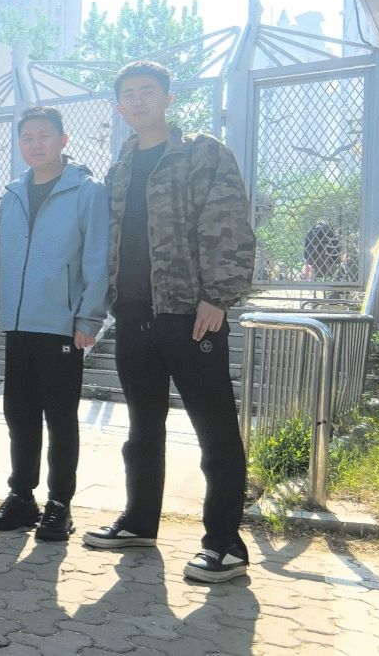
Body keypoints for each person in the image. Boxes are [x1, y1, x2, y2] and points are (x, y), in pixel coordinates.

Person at [83, 61, 257, 585]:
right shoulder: (120, 167)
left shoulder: (203, 153)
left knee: (214, 432)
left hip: (191, 315)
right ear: (120, 107)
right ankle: (140, 522)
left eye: (148, 92)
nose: (138, 101)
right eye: (129, 95)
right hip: (134, 316)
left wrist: (217, 297)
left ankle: (225, 544)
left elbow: (228, 222)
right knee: (142, 430)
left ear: (167, 98)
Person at [0, 107, 110, 541]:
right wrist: (4, 309)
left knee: (59, 417)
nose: (35, 144)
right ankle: (22, 497)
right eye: (28, 137)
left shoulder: (88, 191)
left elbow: (97, 258)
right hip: (18, 323)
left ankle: (60, 504)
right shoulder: (13, 193)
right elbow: (4, 258)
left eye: (44, 135)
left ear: (63, 140)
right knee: (18, 414)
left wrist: (89, 316)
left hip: (62, 324)